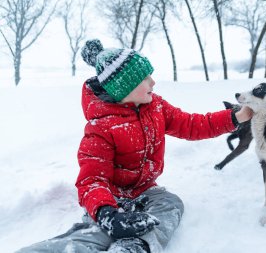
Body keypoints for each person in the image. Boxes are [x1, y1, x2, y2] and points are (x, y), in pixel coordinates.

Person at [16, 39, 253, 253]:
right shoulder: (102, 127)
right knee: (96, 234)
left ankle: (134, 247)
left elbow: (191, 124)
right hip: (108, 198)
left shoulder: (156, 107)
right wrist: (107, 214)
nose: (153, 81)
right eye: (145, 78)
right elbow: (92, 181)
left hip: (144, 190)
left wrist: (235, 117)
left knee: (170, 204)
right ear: (124, 88)